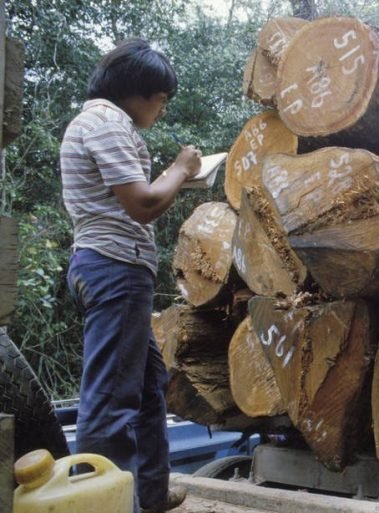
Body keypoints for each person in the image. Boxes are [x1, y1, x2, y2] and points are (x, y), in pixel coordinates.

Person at [60, 38, 201, 513]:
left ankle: (150, 496)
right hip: (114, 269)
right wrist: (181, 170)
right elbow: (142, 205)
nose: (161, 108)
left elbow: (133, 195)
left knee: (145, 391)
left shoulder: (105, 124)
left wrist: (171, 176)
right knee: (111, 398)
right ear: (136, 92)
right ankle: (101, 504)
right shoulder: (104, 122)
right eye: (159, 99)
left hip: (115, 269)